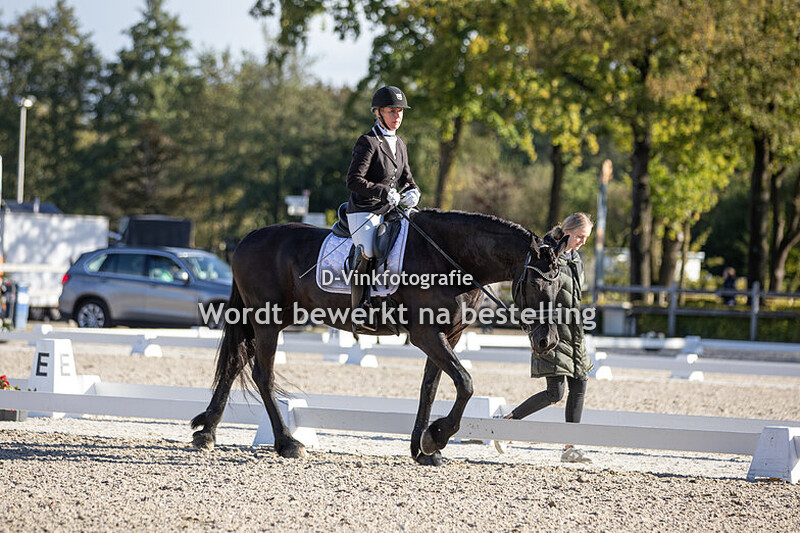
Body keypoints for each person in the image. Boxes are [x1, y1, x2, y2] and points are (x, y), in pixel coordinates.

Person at [497, 212, 594, 463]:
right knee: (555, 393)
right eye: (581, 237)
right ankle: (508, 423)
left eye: (586, 238)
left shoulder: (576, 259)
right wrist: (532, 331)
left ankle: (570, 446)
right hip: (551, 332)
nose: (583, 242)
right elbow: (532, 295)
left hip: (575, 333)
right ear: (568, 231)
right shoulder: (546, 256)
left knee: (580, 383)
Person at [346, 86, 421, 332]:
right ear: (378, 113)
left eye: (400, 111)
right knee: (369, 248)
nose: (397, 116)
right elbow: (353, 180)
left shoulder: (400, 143)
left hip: (391, 209)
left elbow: (407, 178)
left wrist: (412, 190)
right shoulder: (367, 141)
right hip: (364, 210)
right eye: (391, 111)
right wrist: (381, 191)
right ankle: (361, 308)